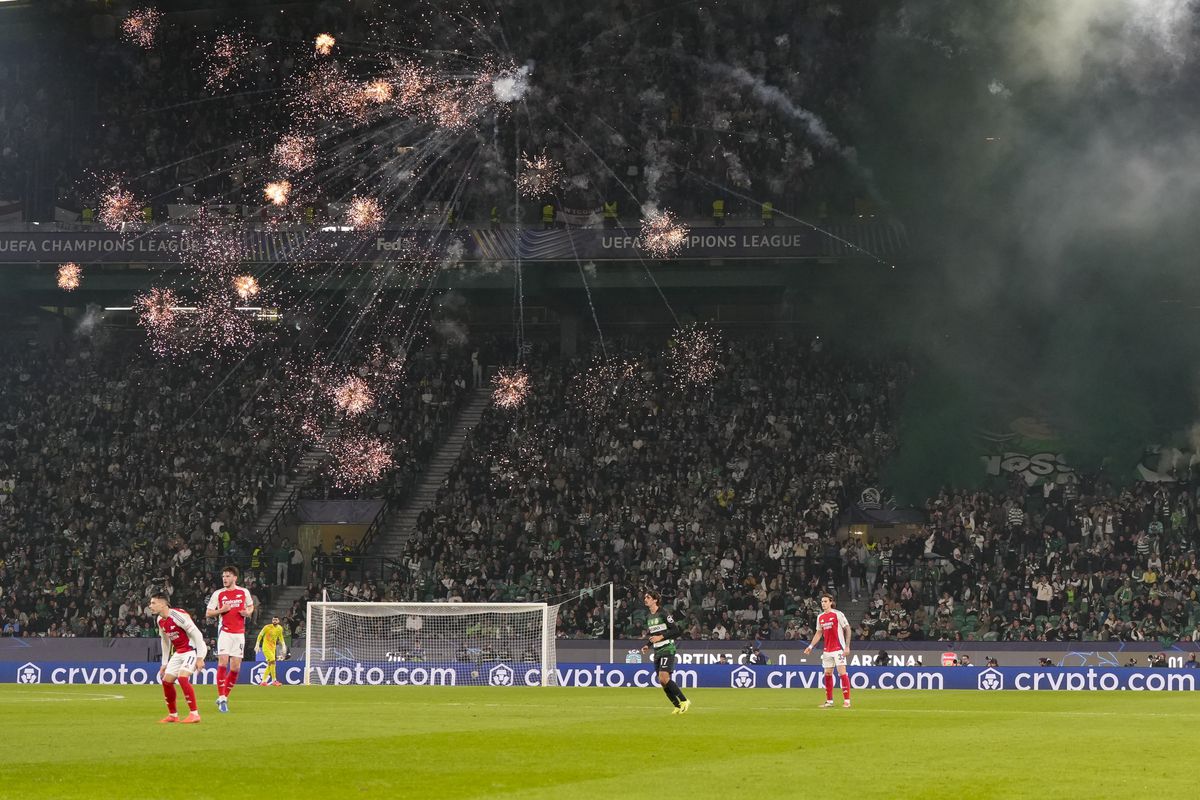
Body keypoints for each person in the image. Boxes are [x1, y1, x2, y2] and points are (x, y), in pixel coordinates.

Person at [149, 592, 206, 724]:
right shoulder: (159, 620)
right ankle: (173, 715)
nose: (150, 606)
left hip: (192, 650)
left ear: (163, 604)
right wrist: (164, 663)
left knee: (182, 677)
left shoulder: (178, 616)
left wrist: (200, 657)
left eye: (153, 603)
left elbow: (197, 635)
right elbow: (165, 641)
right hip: (179, 652)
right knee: (166, 681)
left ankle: (194, 714)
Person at [206, 565, 254, 713]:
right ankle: (221, 697)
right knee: (223, 662)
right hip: (225, 632)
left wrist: (247, 612)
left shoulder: (243, 592)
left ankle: (224, 697)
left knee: (235, 668)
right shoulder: (218, 594)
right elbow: (208, 613)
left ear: (235, 578)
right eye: (223, 576)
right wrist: (221, 610)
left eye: (227, 576)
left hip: (239, 633)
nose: (224, 579)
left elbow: (251, 607)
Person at [640, 590, 691, 714]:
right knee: (662, 682)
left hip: (667, 648)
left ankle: (685, 700)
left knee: (664, 677)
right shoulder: (648, 616)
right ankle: (677, 705)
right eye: (645, 597)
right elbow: (654, 635)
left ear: (655, 600)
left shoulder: (663, 613)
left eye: (648, 597)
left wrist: (661, 638)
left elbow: (676, 631)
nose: (645, 599)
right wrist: (648, 645)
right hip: (657, 650)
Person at [804, 593, 852, 708]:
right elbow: (819, 632)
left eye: (825, 601)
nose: (823, 604)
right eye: (822, 602)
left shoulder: (838, 614)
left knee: (842, 673)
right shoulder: (820, 617)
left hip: (839, 648)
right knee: (828, 673)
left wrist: (847, 646)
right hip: (827, 650)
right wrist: (810, 646)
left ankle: (847, 701)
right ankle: (829, 701)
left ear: (831, 602)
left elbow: (848, 629)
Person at [254, 615, 288, 686]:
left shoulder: (280, 628)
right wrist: (257, 644)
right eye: (273, 620)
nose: (274, 621)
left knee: (270, 664)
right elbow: (260, 635)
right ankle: (274, 681)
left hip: (273, 648)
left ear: (278, 621)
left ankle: (263, 681)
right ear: (272, 621)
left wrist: (283, 645)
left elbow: (280, 637)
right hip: (266, 647)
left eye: (276, 620)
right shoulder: (267, 627)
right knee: (272, 660)